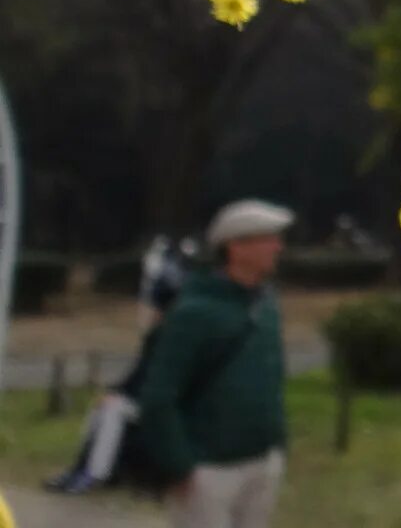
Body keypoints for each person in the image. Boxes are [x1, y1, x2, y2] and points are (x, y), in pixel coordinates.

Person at [135, 200, 292, 528]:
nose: (278, 247)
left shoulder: (267, 305)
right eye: (268, 239)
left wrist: (277, 445)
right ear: (236, 247)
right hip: (208, 470)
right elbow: (159, 396)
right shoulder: (194, 313)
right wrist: (179, 466)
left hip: (262, 461)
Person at [43, 232, 196, 494]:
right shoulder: (159, 334)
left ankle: (94, 474)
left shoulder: (174, 335)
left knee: (113, 410)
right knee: (104, 406)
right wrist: (116, 390)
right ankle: (81, 467)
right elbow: (140, 372)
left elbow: (158, 378)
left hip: (170, 404)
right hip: (150, 397)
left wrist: (123, 395)